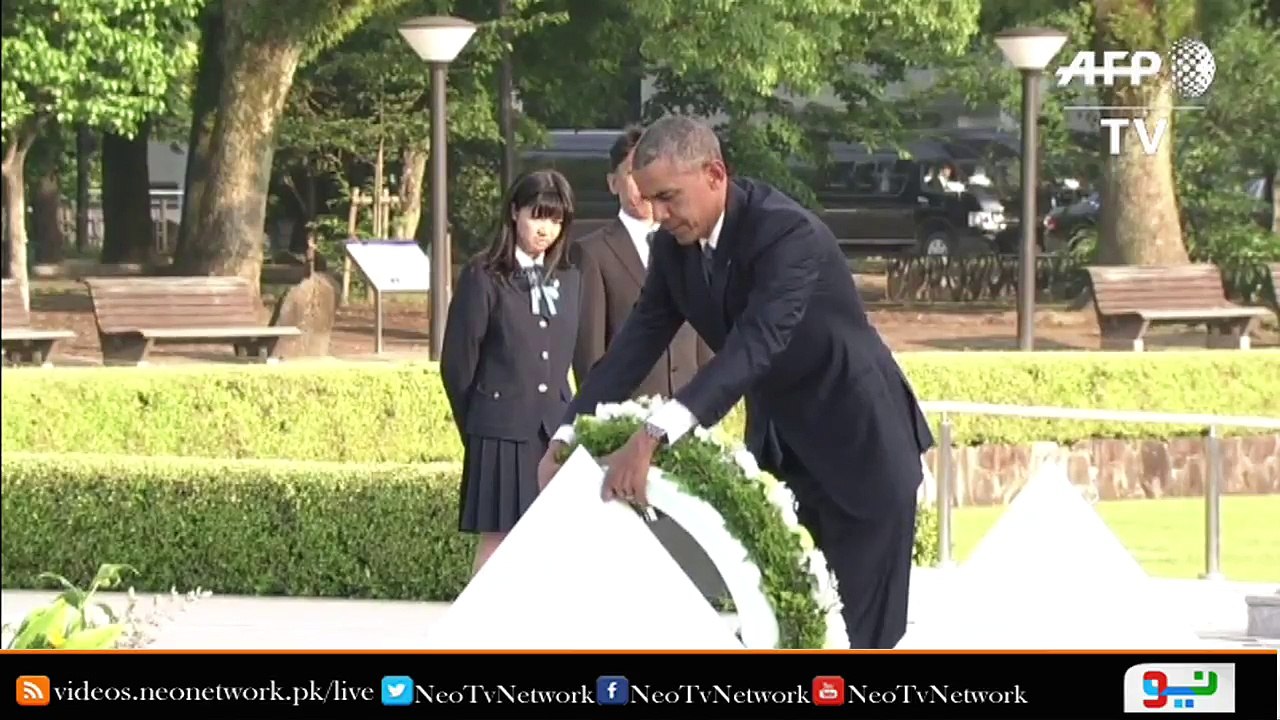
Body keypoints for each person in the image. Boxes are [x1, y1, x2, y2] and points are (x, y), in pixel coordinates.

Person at [536, 116, 934, 649]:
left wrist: (654, 435)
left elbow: (756, 344)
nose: (658, 215)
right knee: (775, 630)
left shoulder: (788, 234)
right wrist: (565, 435)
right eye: (651, 200)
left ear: (715, 174)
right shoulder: (673, 250)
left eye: (670, 198)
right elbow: (631, 348)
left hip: (862, 449)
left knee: (858, 642)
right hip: (783, 455)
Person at [441, 169, 580, 576]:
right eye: (538, 215)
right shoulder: (484, 275)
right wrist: (480, 424)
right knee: (499, 541)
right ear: (515, 212)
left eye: (556, 220)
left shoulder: (569, 278)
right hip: (499, 430)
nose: (546, 229)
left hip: (552, 429)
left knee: (553, 540)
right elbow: (457, 363)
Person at [572, 125, 712, 398]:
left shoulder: (686, 242)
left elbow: (703, 329)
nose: (645, 189)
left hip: (687, 406)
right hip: (630, 411)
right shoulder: (593, 252)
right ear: (613, 183)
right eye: (633, 176)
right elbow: (590, 350)